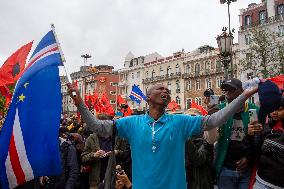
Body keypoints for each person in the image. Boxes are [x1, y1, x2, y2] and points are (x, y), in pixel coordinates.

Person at [68, 83, 257, 189]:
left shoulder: (180, 121)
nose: (165, 91)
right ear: (148, 97)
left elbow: (213, 121)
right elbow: (98, 126)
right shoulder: (131, 123)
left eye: (167, 90)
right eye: (160, 89)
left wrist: (242, 97)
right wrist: (79, 103)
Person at [209, 78, 259, 189]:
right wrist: (211, 120)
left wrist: (248, 157)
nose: (227, 93)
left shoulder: (254, 110)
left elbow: (258, 140)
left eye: (231, 89)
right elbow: (211, 140)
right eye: (225, 90)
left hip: (246, 170)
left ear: (242, 91)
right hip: (226, 168)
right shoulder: (219, 110)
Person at [248, 96, 284, 189]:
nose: (274, 112)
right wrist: (250, 136)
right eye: (272, 109)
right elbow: (254, 152)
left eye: (279, 109)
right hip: (262, 183)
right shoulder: (266, 128)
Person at [184, 108, 215, 189]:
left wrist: (185, 138)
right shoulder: (180, 140)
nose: (191, 124)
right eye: (188, 121)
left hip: (201, 184)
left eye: (194, 121)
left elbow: (198, 160)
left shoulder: (206, 141)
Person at [81, 114, 113, 189]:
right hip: (96, 182)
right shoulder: (91, 139)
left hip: (114, 182)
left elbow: (126, 154)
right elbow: (83, 159)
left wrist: (116, 153)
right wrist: (94, 155)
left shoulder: (117, 138)